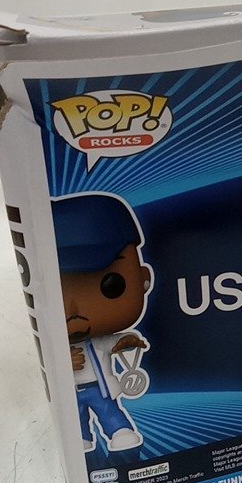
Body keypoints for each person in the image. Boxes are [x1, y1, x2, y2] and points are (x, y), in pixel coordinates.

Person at [51, 193, 153, 451]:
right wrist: (62, 362)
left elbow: (113, 342)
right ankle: (81, 438)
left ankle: (119, 431)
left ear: (143, 280)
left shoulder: (98, 340)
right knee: (76, 421)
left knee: (109, 411)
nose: (75, 313)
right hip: (70, 392)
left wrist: (127, 342)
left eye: (111, 285)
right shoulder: (54, 346)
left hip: (99, 387)